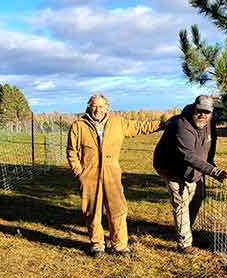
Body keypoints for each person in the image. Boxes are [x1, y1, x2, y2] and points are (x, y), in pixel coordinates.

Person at [67, 94, 163, 257]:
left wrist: (162, 124)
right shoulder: (79, 125)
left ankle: (119, 245)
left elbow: (140, 127)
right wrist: (80, 173)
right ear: (89, 107)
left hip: (112, 174)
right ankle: (97, 245)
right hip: (89, 175)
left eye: (101, 106)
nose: (98, 110)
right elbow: (71, 151)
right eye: (94, 106)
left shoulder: (118, 122)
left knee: (117, 209)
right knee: (92, 212)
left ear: (107, 107)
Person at [153, 95, 227, 253]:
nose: (202, 115)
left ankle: (188, 233)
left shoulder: (209, 123)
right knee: (181, 203)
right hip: (172, 168)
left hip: (194, 169)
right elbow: (188, 155)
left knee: (197, 199)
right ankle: (185, 244)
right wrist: (212, 170)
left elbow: (210, 144)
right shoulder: (182, 125)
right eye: (199, 111)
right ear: (194, 108)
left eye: (206, 112)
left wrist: (210, 162)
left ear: (211, 113)